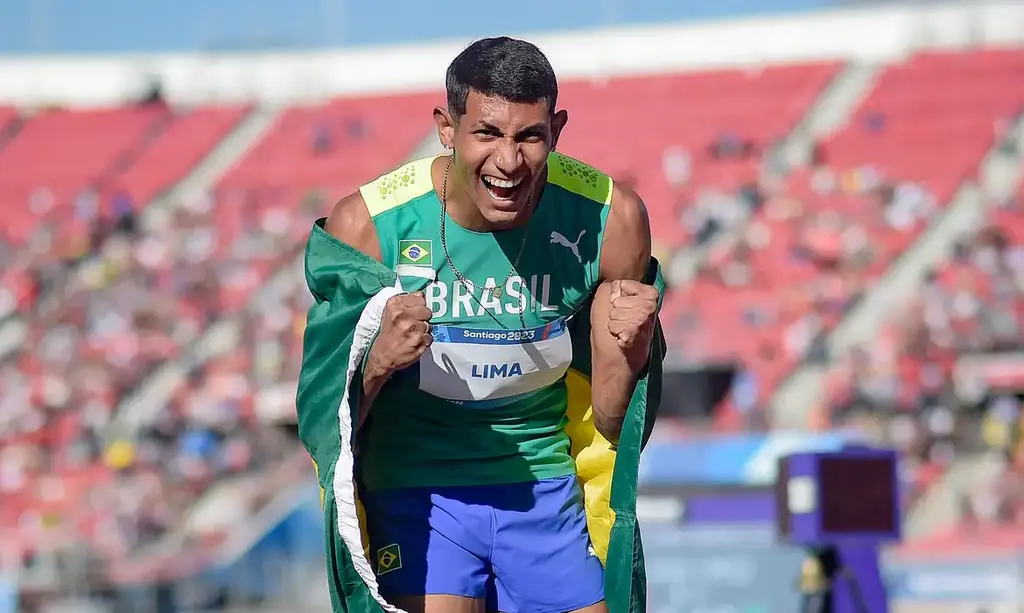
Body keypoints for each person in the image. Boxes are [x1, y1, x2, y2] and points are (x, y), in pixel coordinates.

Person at [301, 36, 662, 613]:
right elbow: (326, 424)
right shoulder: (368, 225)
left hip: (545, 493)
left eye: (530, 136)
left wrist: (635, 348)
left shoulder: (610, 220)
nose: (509, 162)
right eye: (487, 134)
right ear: (447, 128)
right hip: (417, 490)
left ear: (558, 130)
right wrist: (374, 362)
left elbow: (615, 427)